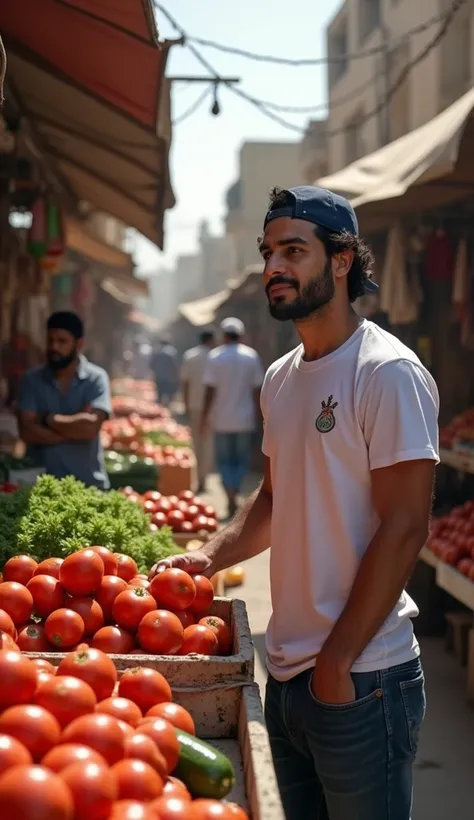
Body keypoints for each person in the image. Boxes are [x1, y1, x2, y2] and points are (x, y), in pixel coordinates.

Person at [151, 186, 439, 820]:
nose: (274, 267)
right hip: (284, 673)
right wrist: (206, 554)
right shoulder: (280, 378)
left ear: (341, 261)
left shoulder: (386, 372)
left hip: (363, 676)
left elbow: (405, 526)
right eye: (267, 252)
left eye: (293, 250)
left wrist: (336, 663)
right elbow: (277, 499)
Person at [17, 311, 111, 490]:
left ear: (79, 344)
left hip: (89, 486)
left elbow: (91, 428)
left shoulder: (96, 379)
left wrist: (46, 420)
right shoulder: (32, 380)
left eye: (62, 341)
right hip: (40, 487)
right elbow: (26, 432)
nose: (54, 347)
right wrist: (75, 427)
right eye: (50, 340)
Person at [201, 318, 264, 519]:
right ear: (242, 335)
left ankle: (229, 495)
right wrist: (262, 417)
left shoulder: (216, 357)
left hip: (221, 419)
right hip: (244, 419)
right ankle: (234, 491)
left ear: (224, 335)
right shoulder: (251, 356)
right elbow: (257, 390)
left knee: (224, 461)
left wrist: (204, 417)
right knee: (240, 460)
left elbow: (209, 391)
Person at [181, 329, 216, 493]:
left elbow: (185, 383)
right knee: (207, 443)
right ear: (211, 340)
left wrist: (186, 404)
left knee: (196, 443)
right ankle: (203, 479)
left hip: (195, 405)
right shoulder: (215, 357)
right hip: (212, 408)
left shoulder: (190, 356)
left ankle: (197, 478)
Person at [151, 337, 179, 408]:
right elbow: (175, 365)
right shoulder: (172, 351)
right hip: (169, 378)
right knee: (168, 397)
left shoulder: (157, 351)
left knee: (159, 396)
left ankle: (158, 410)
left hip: (159, 377)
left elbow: (152, 365)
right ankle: (167, 411)